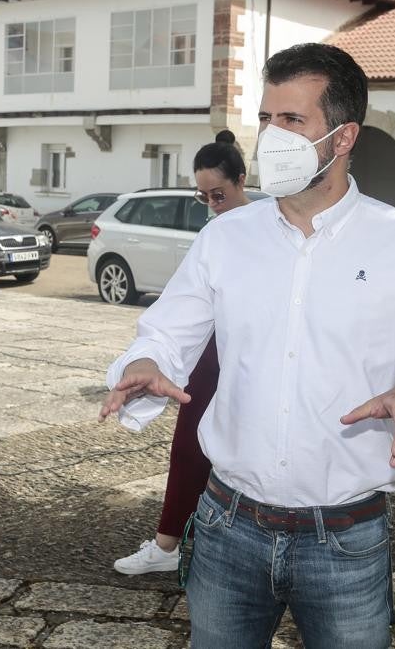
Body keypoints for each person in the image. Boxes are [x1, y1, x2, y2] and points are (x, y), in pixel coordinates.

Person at [99, 43, 395, 648]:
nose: (269, 136)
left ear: (343, 137)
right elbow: (165, 333)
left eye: (291, 120)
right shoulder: (226, 238)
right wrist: (145, 364)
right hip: (227, 526)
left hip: (347, 539)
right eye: (264, 118)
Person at [112, 129, 252, 574]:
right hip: (206, 352)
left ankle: (200, 545)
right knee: (189, 445)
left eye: (220, 194)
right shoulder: (218, 228)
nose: (213, 203)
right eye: (205, 196)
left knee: (240, 448)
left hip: (243, 352)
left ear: (241, 181)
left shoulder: (264, 227)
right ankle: (168, 544)